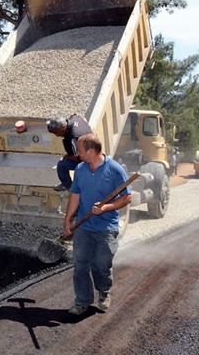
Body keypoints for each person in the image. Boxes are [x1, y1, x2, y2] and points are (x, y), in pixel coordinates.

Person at [63, 133, 131, 316]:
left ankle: (104, 291)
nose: (77, 154)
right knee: (80, 265)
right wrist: (68, 220)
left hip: (106, 228)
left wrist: (107, 207)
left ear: (91, 151)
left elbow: (127, 197)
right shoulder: (80, 169)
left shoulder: (115, 170)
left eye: (80, 150)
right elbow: (75, 195)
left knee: (101, 264)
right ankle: (82, 301)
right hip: (84, 227)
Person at [46, 114, 92, 191]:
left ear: (63, 127)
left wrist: (67, 157)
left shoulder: (73, 137)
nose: (56, 135)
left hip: (89, 161)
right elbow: (76, 114)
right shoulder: (75, 119)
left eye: (56, 132)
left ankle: (70, 187)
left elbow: (80, 158)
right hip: (92, 147)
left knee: (62, 165)